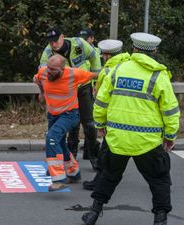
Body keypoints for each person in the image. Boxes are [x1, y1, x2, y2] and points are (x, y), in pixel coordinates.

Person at [81, 32, 180, 225]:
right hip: (147, 142)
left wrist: (100, 125)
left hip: (117, 138)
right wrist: (170, 135)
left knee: (108, 176)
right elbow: (170, 110)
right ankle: (160, 219)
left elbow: (101, 102)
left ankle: (93, 213)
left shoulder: (117, 70)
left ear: (134, 49)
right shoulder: (158, 76)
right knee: (159, 180)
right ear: (155, 51)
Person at [34, 54, 98, 191]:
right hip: (53, 115)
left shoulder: (74, 74)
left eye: (53, 69)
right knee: (60, 143)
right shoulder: (43, 72)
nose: (49, 71)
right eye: (48, 68)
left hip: (70, 115)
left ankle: (58, 178)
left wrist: (100, 88)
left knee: (51, 138)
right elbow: (38, 80)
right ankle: (74, 173)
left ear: (63, 69)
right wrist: (41, 93)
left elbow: (96, 75)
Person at [40, 27, 101, 168]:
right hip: (67, 90)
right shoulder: (48, 52)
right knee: (72, 123)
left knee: (89, 124)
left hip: (83, 86)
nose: (54, 44)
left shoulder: (78, 43)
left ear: (62, 37)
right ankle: (71, 157)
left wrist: (97, 82)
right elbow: (42, 71)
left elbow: (94, 55)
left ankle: (93, 155)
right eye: (51, 42)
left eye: (56, 41)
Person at [83, 39, 130, 190]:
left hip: (113, 118)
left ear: (107, 56)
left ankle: (99, 183)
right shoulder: (128, 66)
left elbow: (101, 99)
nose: (102, 57)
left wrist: (100, 123)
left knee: (106, 151)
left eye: (103, 55)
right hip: (130, 117)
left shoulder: (107, 72)